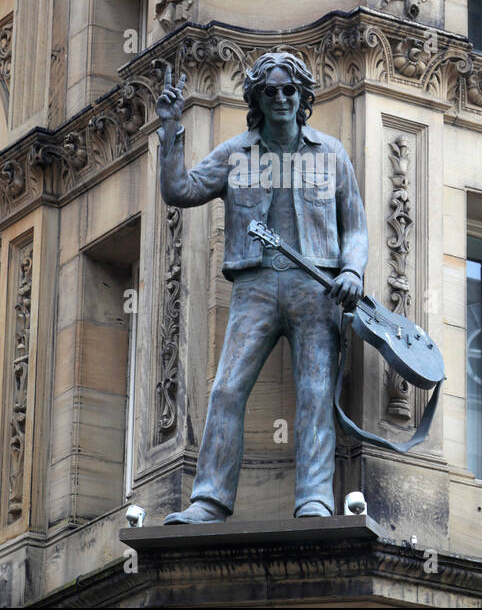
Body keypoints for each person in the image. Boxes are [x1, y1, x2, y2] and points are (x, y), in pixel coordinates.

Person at [156, 51, 368, 522]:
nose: (280, 99)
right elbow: (181, 190)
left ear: (303, 96)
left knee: (315, 391)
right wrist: (170, 133)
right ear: (256, 97)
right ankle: (209, 500)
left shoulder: (330, 154)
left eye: (289, 90)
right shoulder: (237, 154)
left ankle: (314, 497)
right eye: (269, 91)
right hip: (254, 286)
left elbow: (355, 227)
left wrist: (352, 271)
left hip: (316, 287)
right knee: (227, 389)